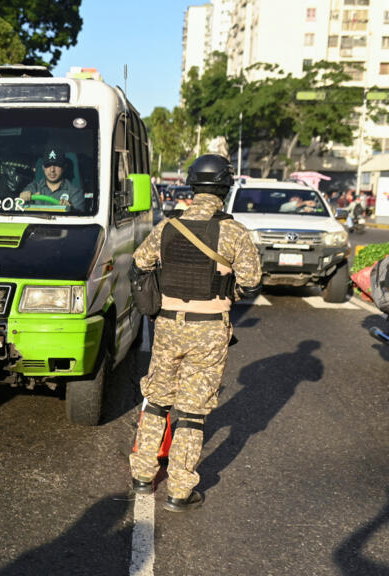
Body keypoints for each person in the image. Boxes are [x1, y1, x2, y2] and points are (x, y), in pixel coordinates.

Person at [128, 154, 262, 512]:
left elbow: (141, 263)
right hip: (209, 329)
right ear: (225, 186)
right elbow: (251, 281)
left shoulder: (168, 227)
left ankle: (142, 476)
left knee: (156, 400)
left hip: (169, 324)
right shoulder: (233, 232)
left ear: (191, 184)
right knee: (191, 412)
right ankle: (179, 490)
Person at [20, 147, 85, 211]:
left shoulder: (75, 193)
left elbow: (81, 218)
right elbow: (16, 207)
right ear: (43, 167)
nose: (52, 170)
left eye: (56, 165)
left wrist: (71, 210)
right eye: (48, 165)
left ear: (64, 166)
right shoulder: (33, 188)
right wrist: (23, 198)